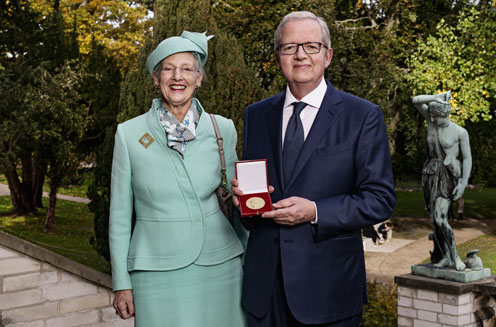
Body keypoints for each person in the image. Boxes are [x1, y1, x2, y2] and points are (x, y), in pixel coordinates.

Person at [231, 11, 396, 327]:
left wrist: (315, 211)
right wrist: (245, 205)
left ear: (328, 55)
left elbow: (379, 199)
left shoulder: (362, 116)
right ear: (279, 56)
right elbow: (255, 205)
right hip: (264, 294)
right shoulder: (257, 115)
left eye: (311, 46)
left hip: (328, 292)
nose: (300, 55)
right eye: (289, 47)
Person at [109, 31, 247, 327]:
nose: (177, 76)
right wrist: (121, 282)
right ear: (156, 79)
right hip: (155, 270)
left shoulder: (222, 128)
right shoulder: (129, 134)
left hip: (222, 263)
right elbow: (120, 216)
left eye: (187, 69)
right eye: (168, 68)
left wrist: (251, 260)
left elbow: (237, 201)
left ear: (199, 79)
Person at [412, 91, 472, 271]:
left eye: (435, 116)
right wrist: (434, 98)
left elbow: (467, 158)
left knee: (440, 217)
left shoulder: (460, 132)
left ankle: (455, 256)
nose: (432, 118)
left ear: (444, 115)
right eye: (431, 115)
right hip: (429, 173)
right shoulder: (432, 124)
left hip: (447, 174)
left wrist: (463, 183)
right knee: (433, 218)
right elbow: (416, 100)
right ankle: (446, 255)